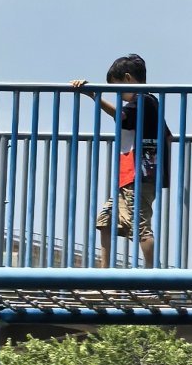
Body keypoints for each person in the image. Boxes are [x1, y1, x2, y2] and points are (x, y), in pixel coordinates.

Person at [71, 53, 170, 266]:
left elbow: (121, 116)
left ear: (127, 78)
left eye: (117, 88)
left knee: (139, 225)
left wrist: (94, 96)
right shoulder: (149, 102)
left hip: (138, 175)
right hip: (130, 175)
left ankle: (153, 276)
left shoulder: (143, 99)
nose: (118, 94)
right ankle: (105, 274)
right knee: (106, 219)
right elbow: (167, 136)